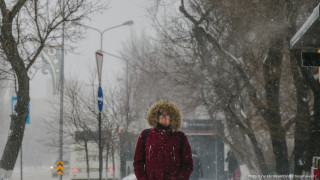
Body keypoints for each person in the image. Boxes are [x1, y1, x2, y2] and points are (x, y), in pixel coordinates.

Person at [133, 100, 193, 180]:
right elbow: (138, 162)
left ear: (172, 117)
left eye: (167, 115)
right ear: (156, 117)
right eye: (161, 115)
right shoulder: (145, 135)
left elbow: (187, 164)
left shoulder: (180, 137)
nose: (164, 118)